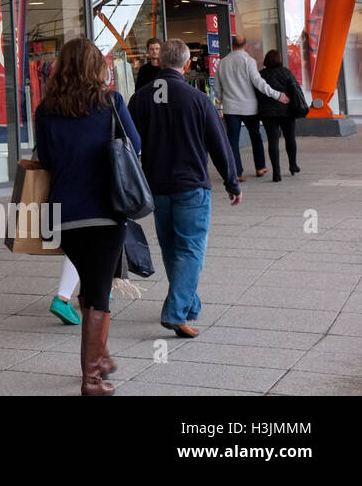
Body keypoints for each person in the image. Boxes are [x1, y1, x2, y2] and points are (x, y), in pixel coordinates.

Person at [34, 37, 139, 396]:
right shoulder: (111, 103)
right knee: (99, 290)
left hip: (62, 216)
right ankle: (91, 379)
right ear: (97, 68)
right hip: (105, 212)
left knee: (93, 284)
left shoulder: (46, 109)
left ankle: (102, 355)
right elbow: (134, 146)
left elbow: (45, 160)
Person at [129, 38, 241, 339]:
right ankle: (176, 312)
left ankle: (188, 304)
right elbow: (220, 145)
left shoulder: (139, 99)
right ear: (187, 64)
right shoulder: (198, 99)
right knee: (190, 248)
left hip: (156, 186)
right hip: (191, 185)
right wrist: (231, 181)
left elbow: (127, 144)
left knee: (171, 248)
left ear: (159, 62)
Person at [215, 35, 287, 181]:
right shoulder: (249, 61)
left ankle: (237, 172)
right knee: (255, 136)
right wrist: (277, 95)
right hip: (249, 107)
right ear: (245, 46)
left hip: (231, 108)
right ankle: (260, 167)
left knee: (232, 141)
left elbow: (217, 87)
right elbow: (259, 83)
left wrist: (223, 100)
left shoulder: (222, 63)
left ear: (232, 45)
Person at [258, 50, 304, 182]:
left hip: (268, 113)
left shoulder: (261, 75)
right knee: (290, 138)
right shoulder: (286, 72)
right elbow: (295, 89)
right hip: (287, 111)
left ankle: (276, 172)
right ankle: (293, 165)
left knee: (273, 140)